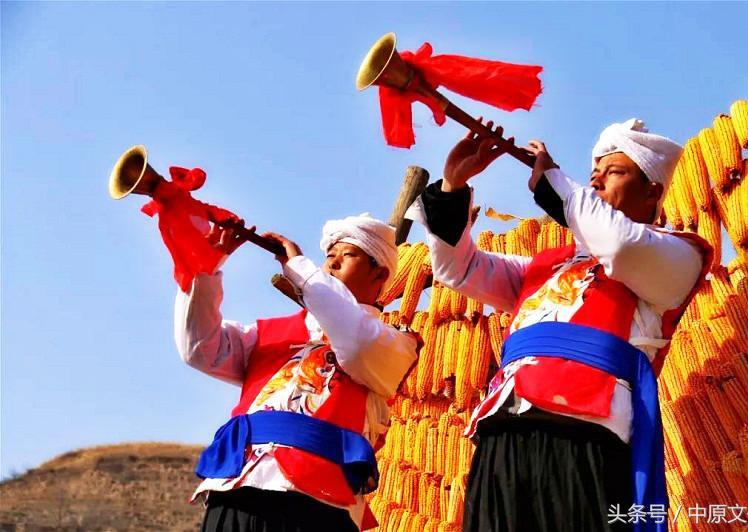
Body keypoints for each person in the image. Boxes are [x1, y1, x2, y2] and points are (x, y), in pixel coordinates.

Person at [406, 118, 713, 532]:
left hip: (587, 429)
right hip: (506, 424)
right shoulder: (546, 265)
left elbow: (620, 244)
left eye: (614, 172)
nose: (596, 182)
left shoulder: (677, 255)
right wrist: (453, 187)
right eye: (593, 174)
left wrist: (554, 182)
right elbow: (459, 270)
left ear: (652, 191)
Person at [174, 213, 418, 532]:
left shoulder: (393, 343)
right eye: (328, 256)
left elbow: (355, 340)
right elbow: (199, 348)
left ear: (379, 273)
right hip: (237, 487)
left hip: (317, 503)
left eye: (347, 255)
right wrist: (205, 270)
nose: (332, 264)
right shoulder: (266, 333)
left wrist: (302, 271)